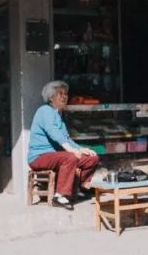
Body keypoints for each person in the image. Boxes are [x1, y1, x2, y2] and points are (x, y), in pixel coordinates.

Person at [28, 80, 100, 210]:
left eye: (65, 93)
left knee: (92, 158)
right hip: (39, 157)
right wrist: (71, 150)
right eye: (60, 93)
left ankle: (79, 188)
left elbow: (67, 139)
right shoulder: (44, 110)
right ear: (50, 97)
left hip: (55, 156)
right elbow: (53, 133)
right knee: (70, 157)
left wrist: (82, 149)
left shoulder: (58, 115)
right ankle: (60, 195)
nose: (64, 96)